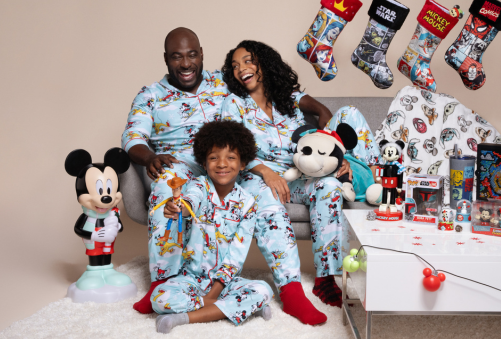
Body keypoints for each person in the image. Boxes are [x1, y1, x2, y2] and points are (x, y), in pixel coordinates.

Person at [122, 28, 323, 324]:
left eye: (192, 55)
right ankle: (161, 284)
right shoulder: (151, 95)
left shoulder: (223, 82)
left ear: (202, 54)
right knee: (167, 187)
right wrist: (150, 156)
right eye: (177, 57)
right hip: (180, 164)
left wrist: (318, 108)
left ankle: (291, 291)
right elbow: (132, 138)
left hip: (230, 166)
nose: (186, 63)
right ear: (166, 60)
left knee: (266, 193)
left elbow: (273, 87)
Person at [221, 40, 381, 307]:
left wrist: (338, 156)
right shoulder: (234, 104)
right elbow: (232, 148)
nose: (242, 69)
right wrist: (266, 172)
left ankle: (326, 278)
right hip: (259, 176)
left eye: (248, 60)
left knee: (330, 184)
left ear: (264, 62)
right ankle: (293, 285)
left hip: (302, 173)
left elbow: (323, 115)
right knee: (313, 184)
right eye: (235, 66)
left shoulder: (289, 98)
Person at [152, 121, 272, 333]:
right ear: (205, 163)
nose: (222, 164)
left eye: (231, 157)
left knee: (263, 290)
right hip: (190, 279)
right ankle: (243, 309)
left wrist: (213, 294)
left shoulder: (248, 204)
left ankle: (184, 319)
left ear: (243, 163)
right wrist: (180, 209)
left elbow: (237, 254)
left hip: (226, 284)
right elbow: (190, 202)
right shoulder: (198, 186)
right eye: (214, 157)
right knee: (160, 298)